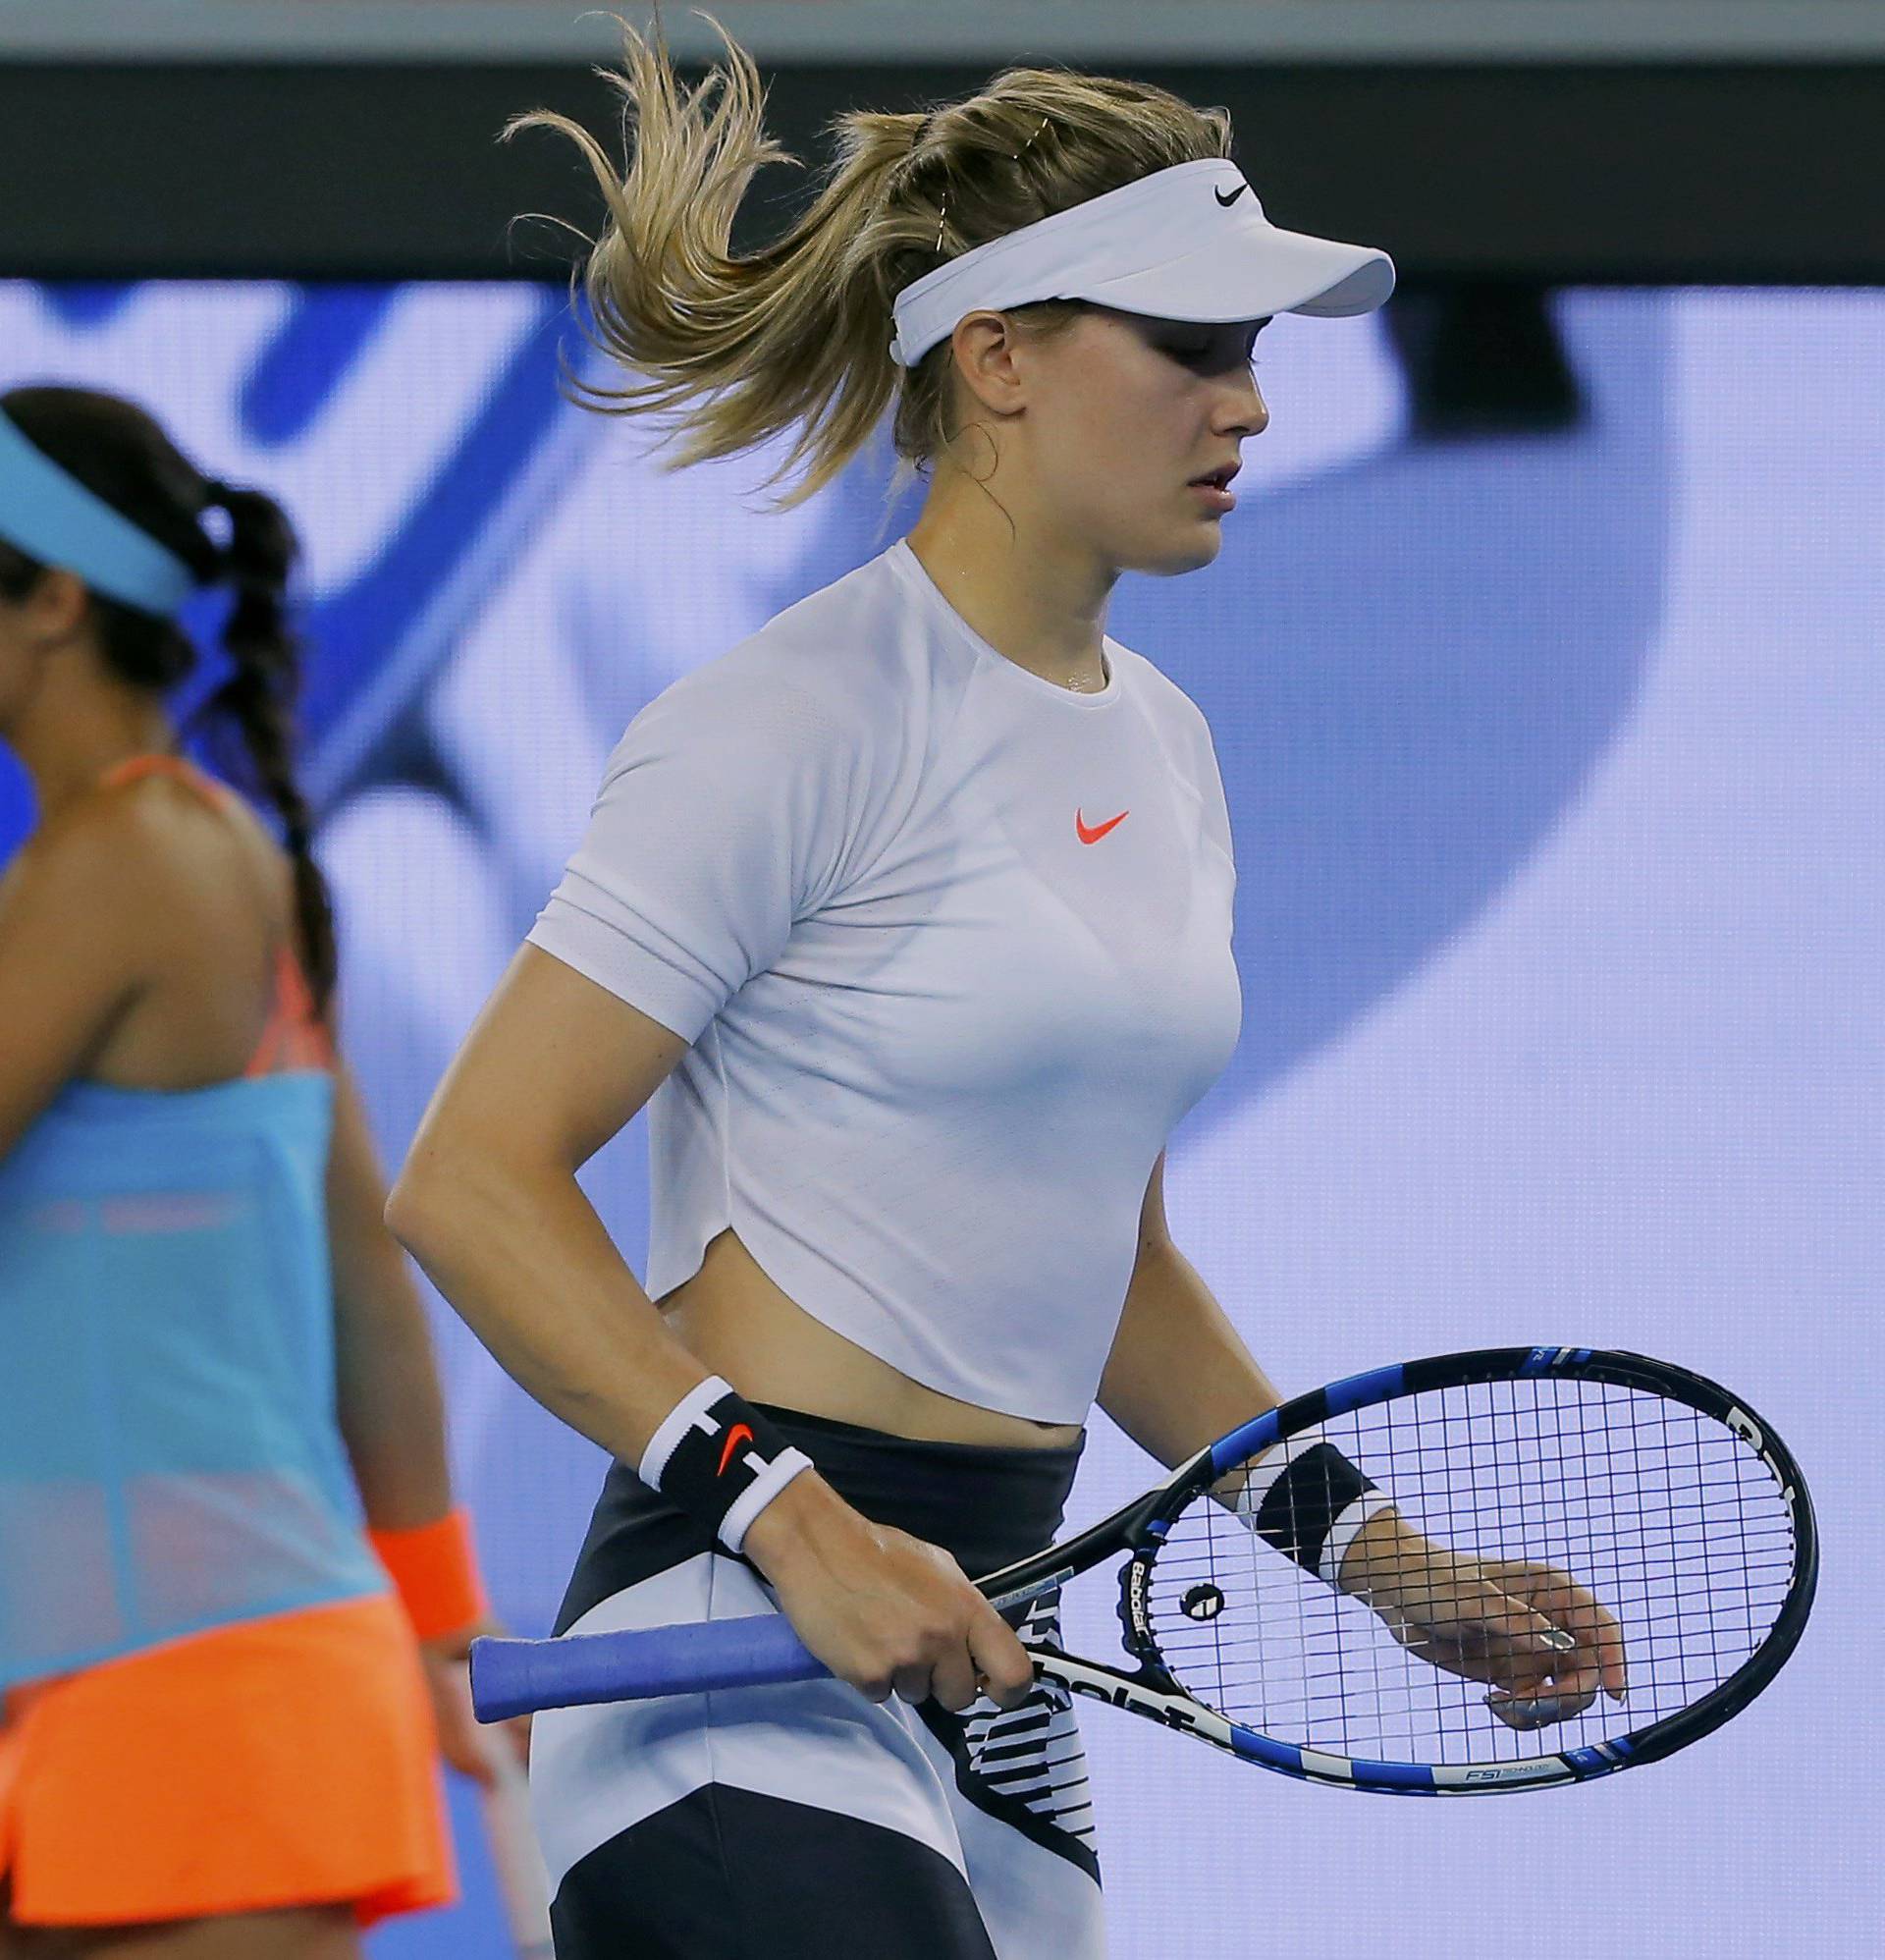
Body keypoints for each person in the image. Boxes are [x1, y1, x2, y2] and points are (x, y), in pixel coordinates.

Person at [389, 27, 1625, 1959]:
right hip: (738, 1629)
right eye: (1191, 347)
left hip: (998, 1667)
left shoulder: (1173, 749)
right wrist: (790, 1516)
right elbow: (466, 1177)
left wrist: (1393, 1566)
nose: (1252, 404)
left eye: (1257, 351)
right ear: (998, 357)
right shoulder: (786, 719)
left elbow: (1106, 1263)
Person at [0, 386, 514, 1959]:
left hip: (208, 1698)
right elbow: (369, 1288)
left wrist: (437, 1632)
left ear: (56, 601)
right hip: (134, 1691)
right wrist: (439, 1622)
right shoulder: (196, 854)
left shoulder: (131, 862)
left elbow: (368, 1294)